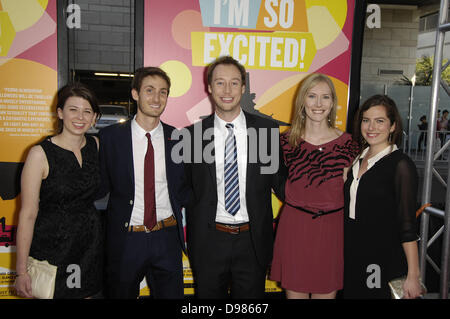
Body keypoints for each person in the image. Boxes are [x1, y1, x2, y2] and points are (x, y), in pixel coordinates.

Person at [184, 56, 287, 299]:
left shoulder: (267, 131)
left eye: (234, 83)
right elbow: (183, 188)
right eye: (220, 83)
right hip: (209, 242)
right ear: (209, 87)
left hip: (252, 243)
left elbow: (281, 183)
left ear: (243, 87)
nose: (227, 90)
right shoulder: (191, 136)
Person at [98, 67, 189, 299]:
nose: (156, 98)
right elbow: (98, 187)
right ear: (135, 94)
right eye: (149, 90)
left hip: (166, 238)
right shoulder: (110, 138)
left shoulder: (178, 138)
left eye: (163, 92)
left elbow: (186, 188)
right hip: (127, 238)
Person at [269, 73, 359, 299]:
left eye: (325, 97)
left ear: (333, 103)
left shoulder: (350, 144)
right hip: (295, 228)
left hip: (333, 230)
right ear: (302, 101)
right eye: (312, 96)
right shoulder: (285, 142)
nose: (318, 104)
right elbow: (274, 183)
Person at [15, 83, 103, 298]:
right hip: (52, 250)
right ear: (60, 113)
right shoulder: (39, 154)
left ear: (94, 118)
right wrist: (21, 271)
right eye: (73, 109)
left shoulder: (96, 145)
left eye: (87, 111)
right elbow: (28, 214)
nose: (80, 117)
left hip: (90, 246)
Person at [343, 95, 422, 299]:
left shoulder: (400, 165)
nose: (371, 127)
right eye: (366, 120)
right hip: (351, 255)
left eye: (380, 121)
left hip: (381, 259)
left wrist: (413, 275)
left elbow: (407, 225)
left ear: (393, 125)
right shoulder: (356, 160)